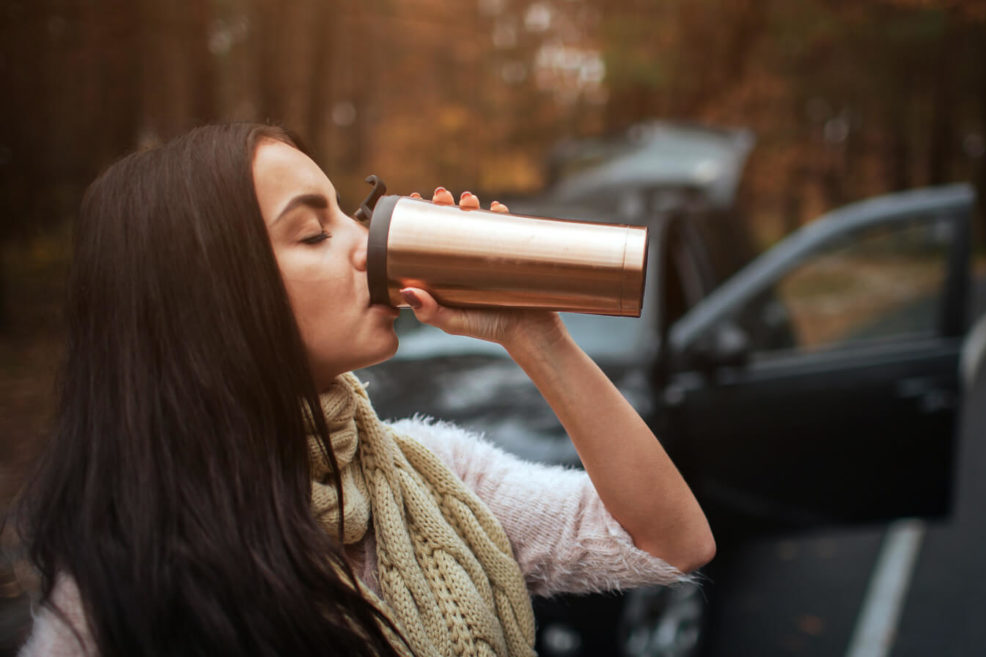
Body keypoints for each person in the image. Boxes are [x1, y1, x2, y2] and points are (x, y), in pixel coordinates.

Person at [14, 123, 714, 657]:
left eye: (350, 214)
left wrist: (536, 337)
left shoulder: (433, 478)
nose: (363, 243)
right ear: (210, 301)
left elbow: (670, 540)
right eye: (313, 233)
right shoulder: (116, 583)